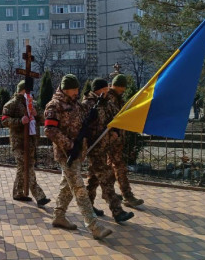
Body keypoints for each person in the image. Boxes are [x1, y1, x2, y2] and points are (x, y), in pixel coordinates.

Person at [44, 74, 112, 239]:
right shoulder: (54, 106)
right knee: (79, 188)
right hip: (66, 154)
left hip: (78, 152)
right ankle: (93, 226)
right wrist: (69, 144)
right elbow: (50, 130)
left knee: (66, 186)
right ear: (67, 89)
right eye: (75, 89)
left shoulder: (76, 105)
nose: (77, 92)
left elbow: (85, 116)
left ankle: (59, 216)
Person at [83, 78, 135, 223]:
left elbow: (116, 117)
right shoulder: (88, 104)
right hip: (94, 149)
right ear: (99, 90)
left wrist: (116, 131)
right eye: (105, 89)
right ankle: (117, 211)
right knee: (106, 178)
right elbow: (84, 126)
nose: (108, 91)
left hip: (105, 147)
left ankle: (88, 206)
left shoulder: (107, 102)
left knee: (93, 180)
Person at [2, 80, 50, 207]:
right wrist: (19, 121)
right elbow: (4, 120)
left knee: (22, 168)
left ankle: (18, 193)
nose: (29, 93)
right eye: (27, 91)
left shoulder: (33, 104)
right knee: (26, 166)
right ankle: (39, 196)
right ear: (22, 90)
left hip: (31, 141)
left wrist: (37, 114)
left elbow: (43, 119)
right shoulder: (12, 104)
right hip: (18, 142)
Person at [106, 75, 144, 208]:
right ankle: (127, 196)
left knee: (112, 168)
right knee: (120, 167)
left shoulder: (119, 98)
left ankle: (108, 192)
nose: (122, 91)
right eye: (120, 89)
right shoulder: (108, 98)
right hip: (110, 140)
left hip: (118, 140)